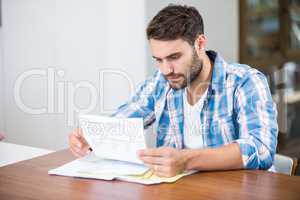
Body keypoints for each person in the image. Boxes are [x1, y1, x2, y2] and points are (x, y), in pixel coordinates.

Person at [69, 4, 278, 177]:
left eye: (174, 57)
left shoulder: (246, 82)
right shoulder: (161, 83)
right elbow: (122, 121)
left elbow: (260, 149)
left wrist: (186, 159)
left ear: (200, 44)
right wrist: (93, 136)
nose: (166, 70)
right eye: (158, 60)